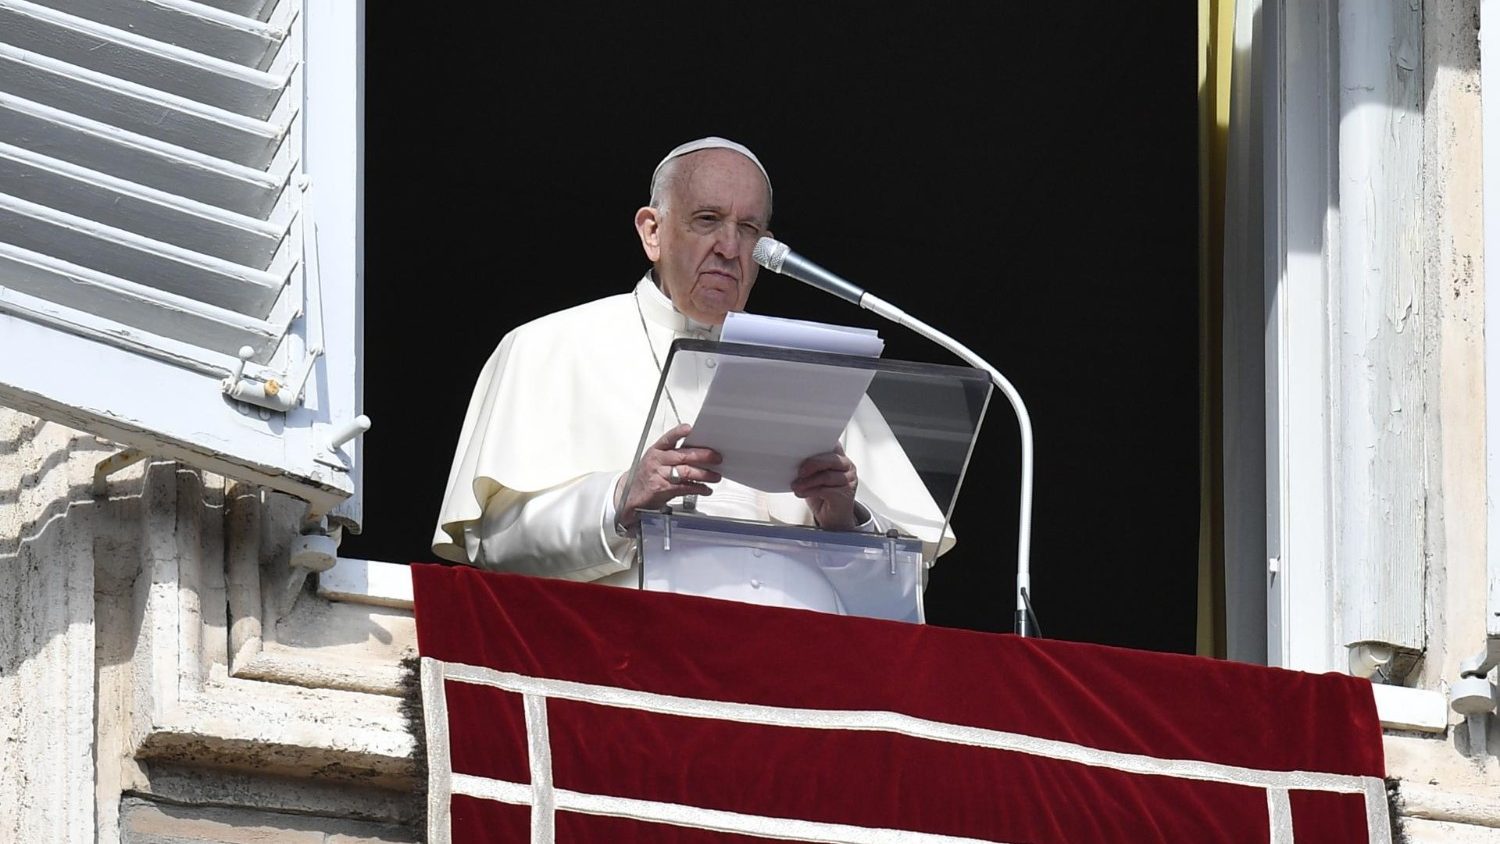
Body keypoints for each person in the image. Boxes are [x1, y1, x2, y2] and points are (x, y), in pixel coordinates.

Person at [431, 138, 949, 611]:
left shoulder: (816, 368)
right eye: (706, 220)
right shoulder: (549, 345)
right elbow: (493, 544)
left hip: (801, 680)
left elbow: (901, 592)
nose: (728, 247)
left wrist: (844, 521)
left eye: (748, 230)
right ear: (652, 232)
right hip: (630, 669)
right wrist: (621, 499)